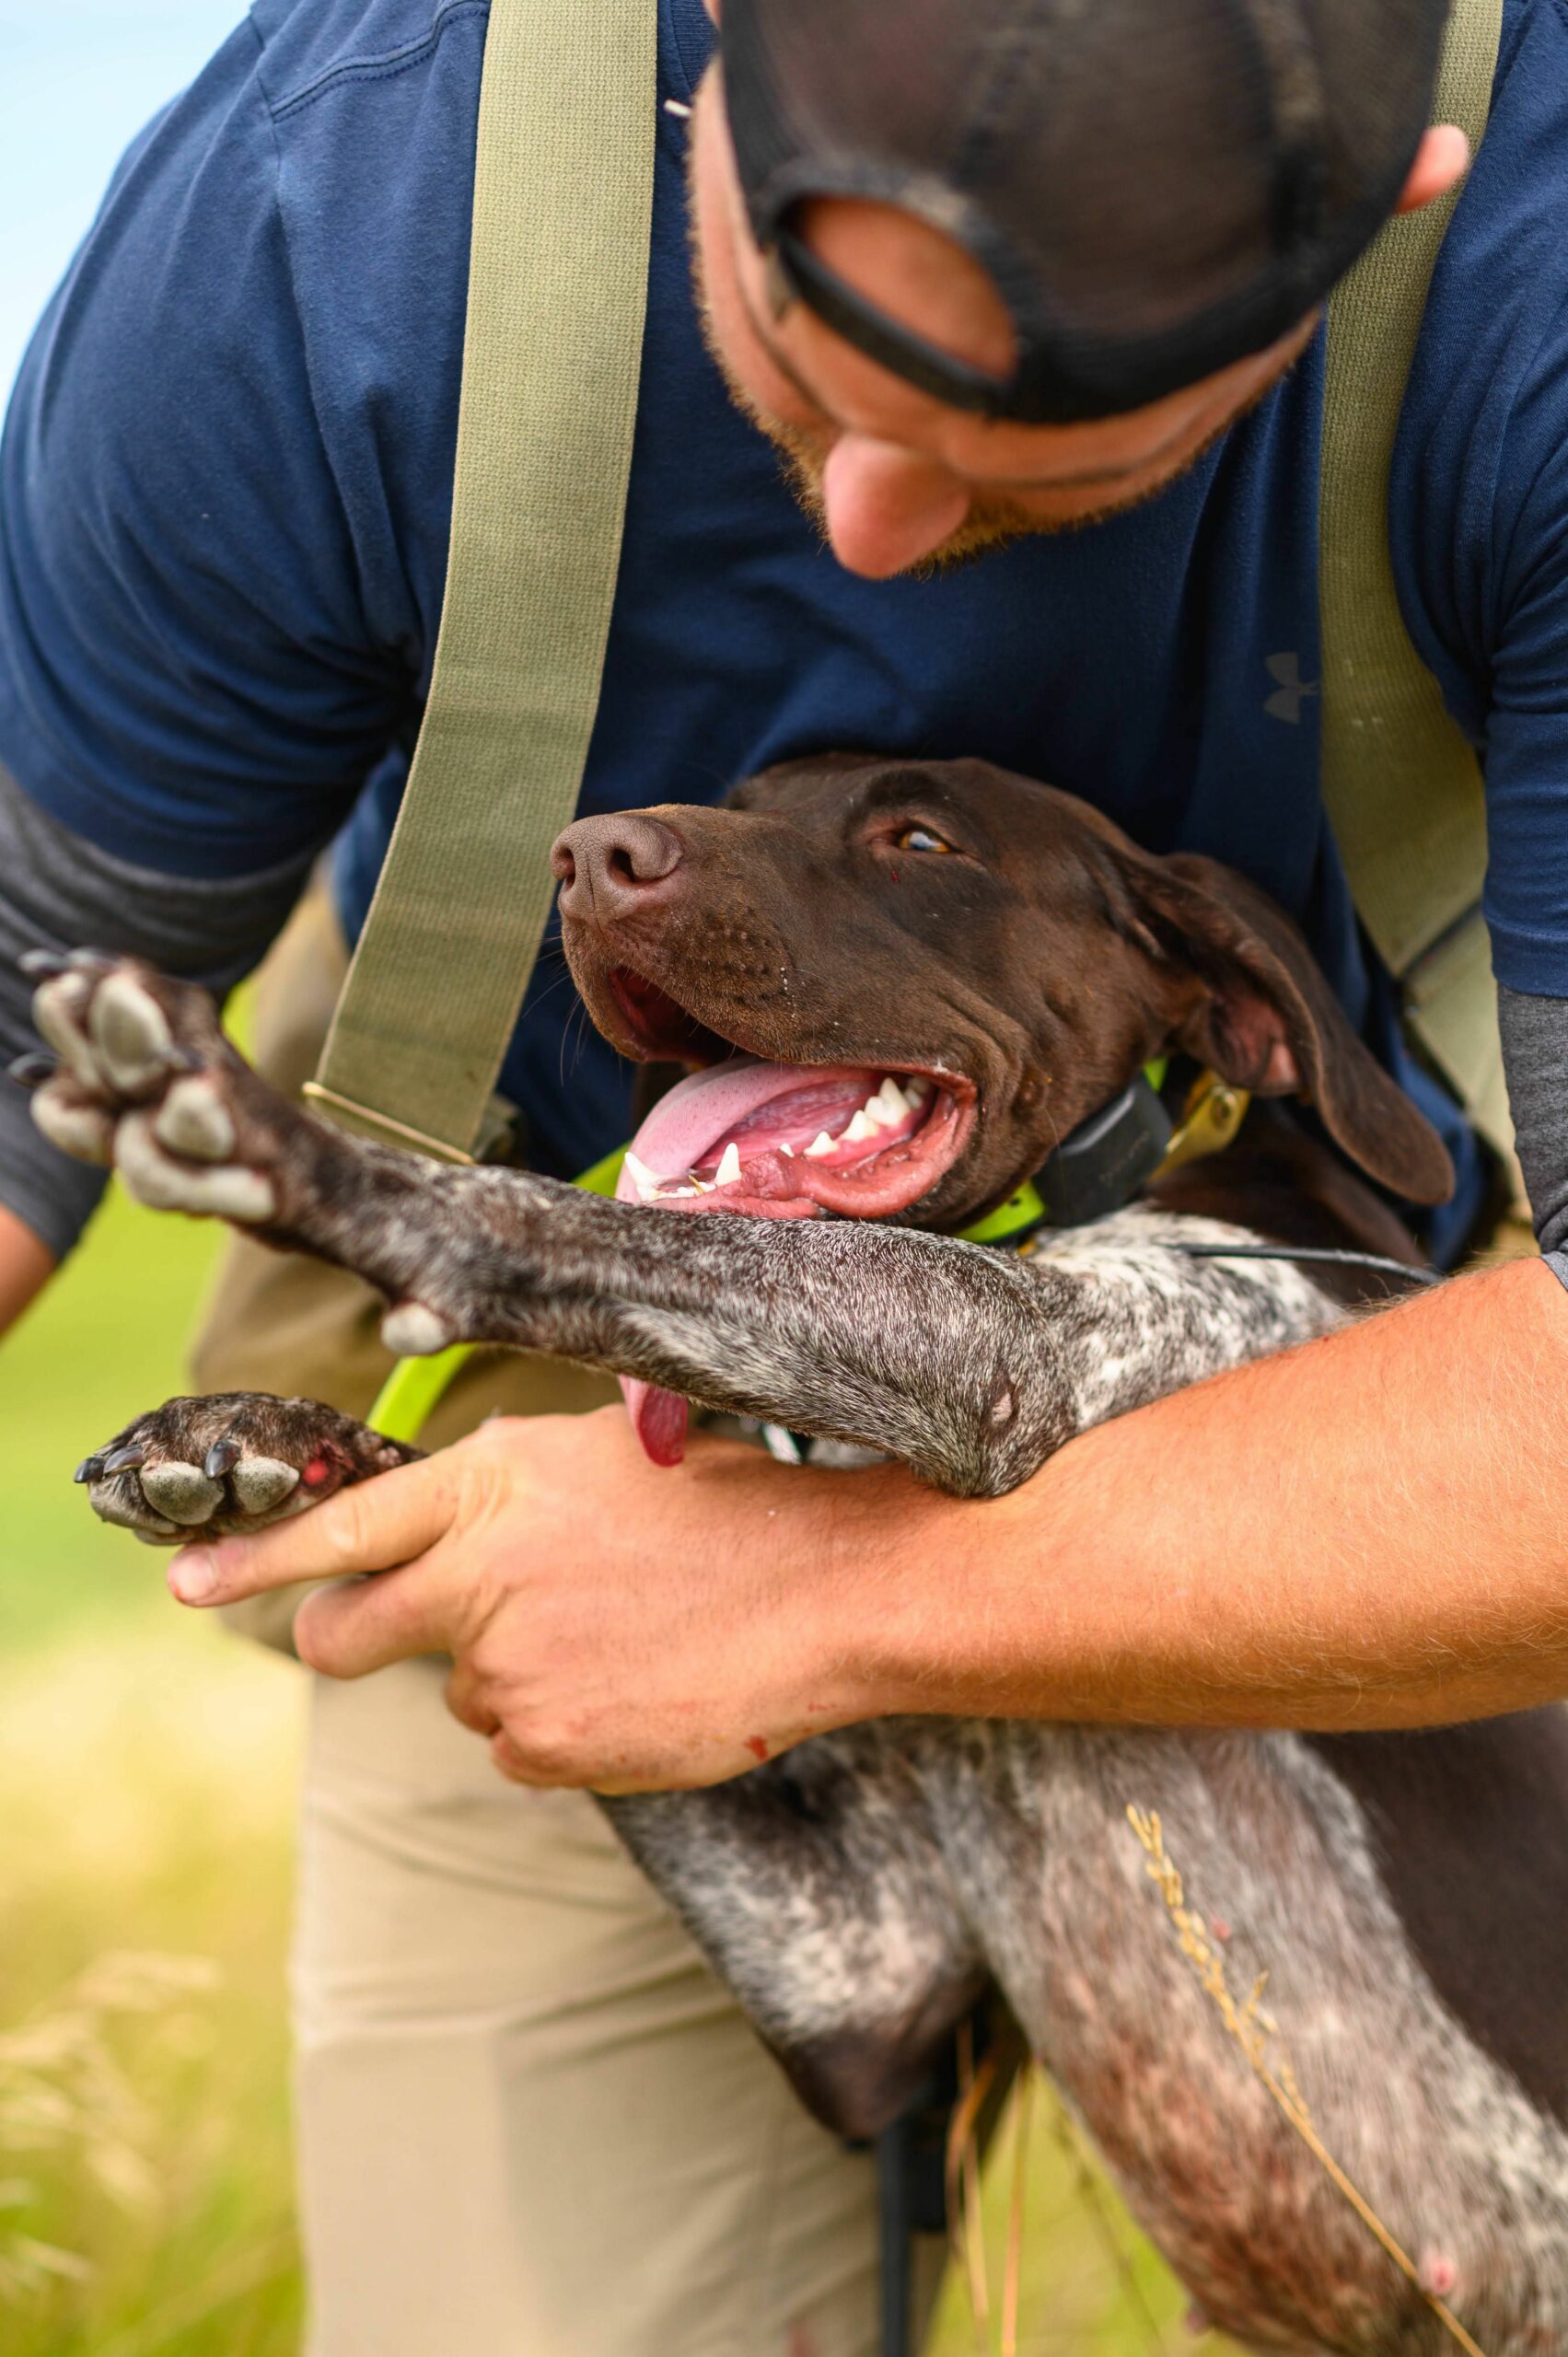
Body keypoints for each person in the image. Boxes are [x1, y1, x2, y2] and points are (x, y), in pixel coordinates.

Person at [6, 0, 1568, 2349]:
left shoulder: (1539, 279)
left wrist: (821, 1602)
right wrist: (601, 1524)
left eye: (1025, 455)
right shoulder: (325, 229)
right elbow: (24, 990)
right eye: (807, 349)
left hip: (1419, 1326)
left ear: (1384, 211)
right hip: (578, 1311)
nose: (870, 530)